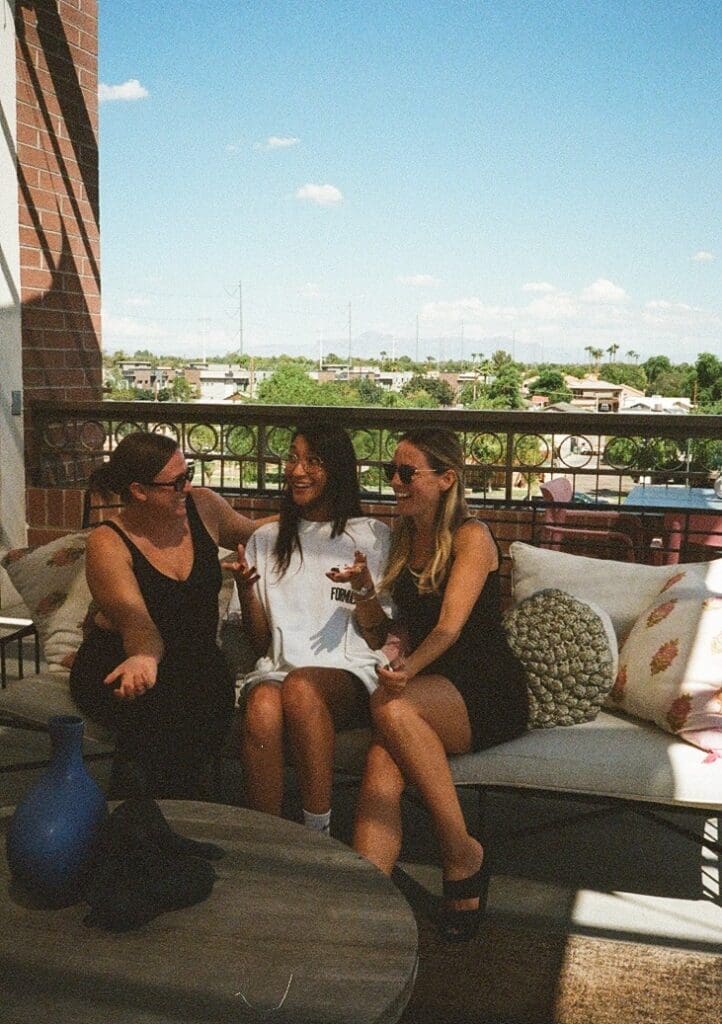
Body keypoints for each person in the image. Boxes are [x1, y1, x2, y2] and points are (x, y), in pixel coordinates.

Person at [340, 426, 529, 942]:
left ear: (446, 478)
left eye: (407, 473)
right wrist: (363, 593)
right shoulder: (406, 536)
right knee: (386, 747)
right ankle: (370, 887)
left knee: (393, 710)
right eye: (390, 472)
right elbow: (390, 630)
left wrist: (405, 672)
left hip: (486, 689)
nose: (395, 483)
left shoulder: (473, 537)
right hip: (434, 684)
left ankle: (460, 851)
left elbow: (448, 628)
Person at [69, 431, 267, 799]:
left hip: (195, 658)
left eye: (188, 474)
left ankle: (153, 818)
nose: (187, 487)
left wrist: (320, 515)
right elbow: (136, 623)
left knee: (207, 685)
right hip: (120, 659)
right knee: (168, 699)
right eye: (176, 482)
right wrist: (144, 658)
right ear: (139, 490)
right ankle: (150, 817)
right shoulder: (108, 541)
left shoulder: (204, 507)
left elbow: (255, 533)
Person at [230, 422, 391, 836]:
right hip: (280, 669)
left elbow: (376, 637)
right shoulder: (265, 540)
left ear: (337, 469)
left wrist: (363, 591)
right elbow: (261, 643)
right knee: (264, 701)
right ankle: (267, 837)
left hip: (349, 672)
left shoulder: (372, 536)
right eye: (293, 458)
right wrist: (245, 592)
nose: (297, 470)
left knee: (302, 688)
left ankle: (315, 833)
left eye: (313, 461)